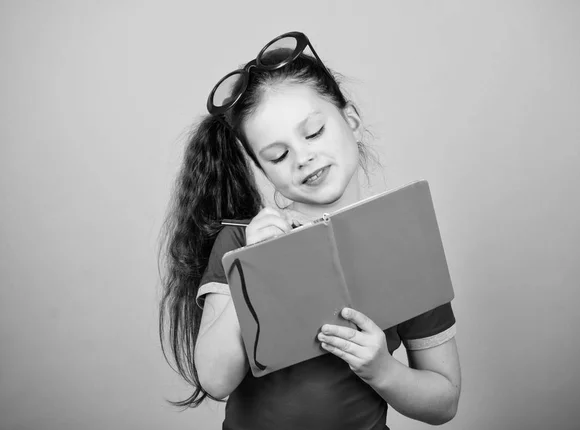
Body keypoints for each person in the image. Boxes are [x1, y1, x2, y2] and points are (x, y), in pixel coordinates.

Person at [159, 31, 461, 430]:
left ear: (350, 121)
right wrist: (254, 267)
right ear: (263, 170)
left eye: (314, 132)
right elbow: (215, 381)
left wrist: (382, 369)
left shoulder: (404, 240)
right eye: (278, 155)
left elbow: (444, 401)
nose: (304, 158)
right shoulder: (239, 243)